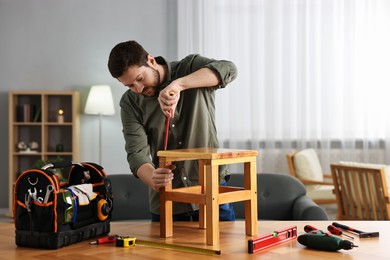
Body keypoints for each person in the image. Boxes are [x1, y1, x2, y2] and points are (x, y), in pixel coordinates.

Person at [107, 40, 238, 221]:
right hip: (167, 203)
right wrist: (152, 177)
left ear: (151, 61)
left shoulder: (190, 67)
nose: (138, 89)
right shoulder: (130, 102)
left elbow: (229, 69)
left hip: (211, 191)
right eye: (129, 86)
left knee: (225, 249)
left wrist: (179, 85)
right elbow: (137, 154)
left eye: (139, 79)